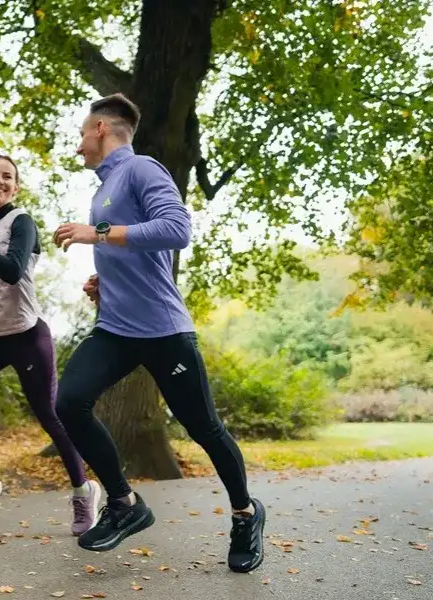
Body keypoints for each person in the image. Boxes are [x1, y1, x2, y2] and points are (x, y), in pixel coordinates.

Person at [50, 94, 266, 573]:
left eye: (83, 132)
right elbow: (137, 251)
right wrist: (105, 282)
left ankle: (245, 513)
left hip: (164, 331)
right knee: (69, 402)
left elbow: (176, 228)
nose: (80, 143)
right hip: (117, 329)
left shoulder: (142, 168)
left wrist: (97, 234)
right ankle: (126, 504)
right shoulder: (102, 189)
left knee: (203, 427)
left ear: (103, 129)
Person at [0, 155, 102, 535]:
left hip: (27, 335)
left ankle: (83, 491)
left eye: (7, 177)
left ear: (16, 186)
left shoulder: (21, 221)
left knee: (50, 417)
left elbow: (11, 271)